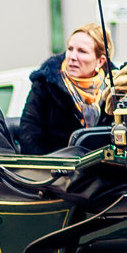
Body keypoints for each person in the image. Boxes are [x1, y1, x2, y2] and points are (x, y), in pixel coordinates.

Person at [19, 23, 112, 154]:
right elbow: (29, 137)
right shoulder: (45, 84)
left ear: (100, 61)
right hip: (56, 170)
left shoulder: (115, 89)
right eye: (70, 49)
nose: (72, 57)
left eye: (82, 51)